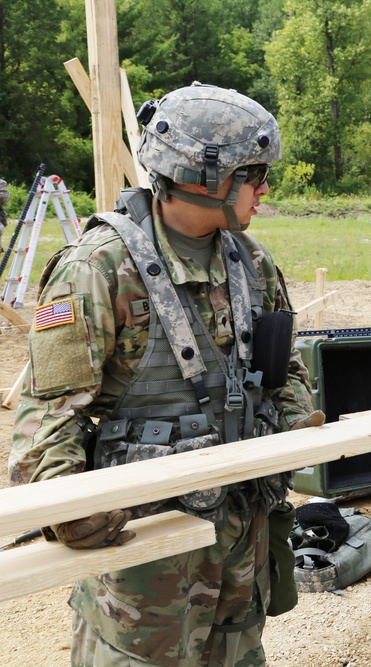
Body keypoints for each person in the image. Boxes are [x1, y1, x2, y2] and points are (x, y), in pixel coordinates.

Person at [8, 83, 324, 666]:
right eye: (253, 175)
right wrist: (68, 510)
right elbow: (45, 414)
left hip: (241, 536)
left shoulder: (252, 262)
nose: (264, 189)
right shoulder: (98, 268)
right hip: (148, 556)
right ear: (206, 178)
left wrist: (296, 421)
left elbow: (287, 367)